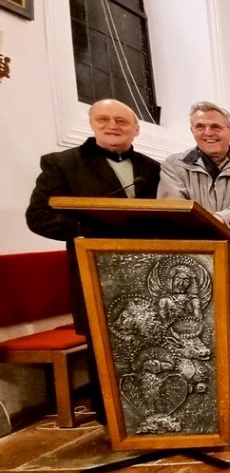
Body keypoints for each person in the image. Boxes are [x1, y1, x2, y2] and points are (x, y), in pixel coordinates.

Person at [26, 99, 162, 424]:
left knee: (150, 340)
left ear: (136, 129)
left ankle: (151, 412)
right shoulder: (64, 164)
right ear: (92, 123)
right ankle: (111, 419)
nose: (112, 126)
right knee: (103, 343)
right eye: (104, 119)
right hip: (94, 270)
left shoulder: (151, 168)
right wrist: (92, 229)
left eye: (121, 121)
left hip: (146, 271)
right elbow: (39, 216)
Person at [158, 102, 230, 418]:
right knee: (194, 334)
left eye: (216, 127)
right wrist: (214, 220)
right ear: (192, 131)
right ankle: (199, 400)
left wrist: (209, 218)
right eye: (201, 127)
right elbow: (173, 208)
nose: (209, 133)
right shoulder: (174, 165)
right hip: (189, 267)